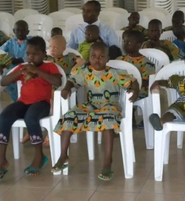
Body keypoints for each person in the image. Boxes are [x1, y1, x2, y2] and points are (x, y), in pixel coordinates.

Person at [52, 42, 139, 181]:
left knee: (108, 120)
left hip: (111, 106)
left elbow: (133, 81)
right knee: (69, 117)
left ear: (107, 58)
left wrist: (136, 90)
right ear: (89, 57)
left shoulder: (114, 73)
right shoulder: (85, 72)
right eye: (93, 56)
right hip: (91, 105)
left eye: (101, 56)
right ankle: (63, 155)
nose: (97, 60)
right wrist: (67, 88)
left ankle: (107, 161)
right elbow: (72, 80)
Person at [0, 36, 62, 179]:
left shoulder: (49, 66)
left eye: (35, 54)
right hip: (23, 102)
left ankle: (39, 156)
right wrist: (21, 71)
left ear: (44, 55)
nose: (31, 57)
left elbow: (57, 81)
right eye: (28, 54)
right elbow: (4, 81)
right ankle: (1, 159)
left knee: (31, 118)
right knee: (4, 117)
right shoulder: (23, 68)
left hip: (42, 103)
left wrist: (37, 71)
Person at [21, 35, 84, 145]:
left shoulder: (69, 57)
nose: (52, 50)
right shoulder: (47, 59)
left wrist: (75, 66)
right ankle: (31, 130)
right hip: (46, 85)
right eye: (51, 47)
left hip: (61, 86)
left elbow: (82, 60)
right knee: (33, 96)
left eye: (56, 47)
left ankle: (51, 133)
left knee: (53, 95)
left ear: (64, 49)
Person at [117, 30, 155, 128]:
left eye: (129, 42)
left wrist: (133, 84)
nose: (125, 44)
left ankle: (131, 118)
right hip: (122, 89)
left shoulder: (146, 62)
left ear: (138, 45)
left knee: (129, 94)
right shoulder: (120, 60)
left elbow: (148, 81)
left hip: (141, 90)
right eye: (124, 41)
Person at [0, 20, 31, 101]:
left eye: (23, 30)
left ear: (27, 32)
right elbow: (1, 52)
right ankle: (15, 100)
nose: (20, 32)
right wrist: (6, 61)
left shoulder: (30, 42)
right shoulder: (10, 42)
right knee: (6, 80)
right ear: (14, 31)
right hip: (11, 69)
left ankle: (22, 100)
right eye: (18, 30)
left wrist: (21, 60)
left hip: (26, 68)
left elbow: (31, 54)